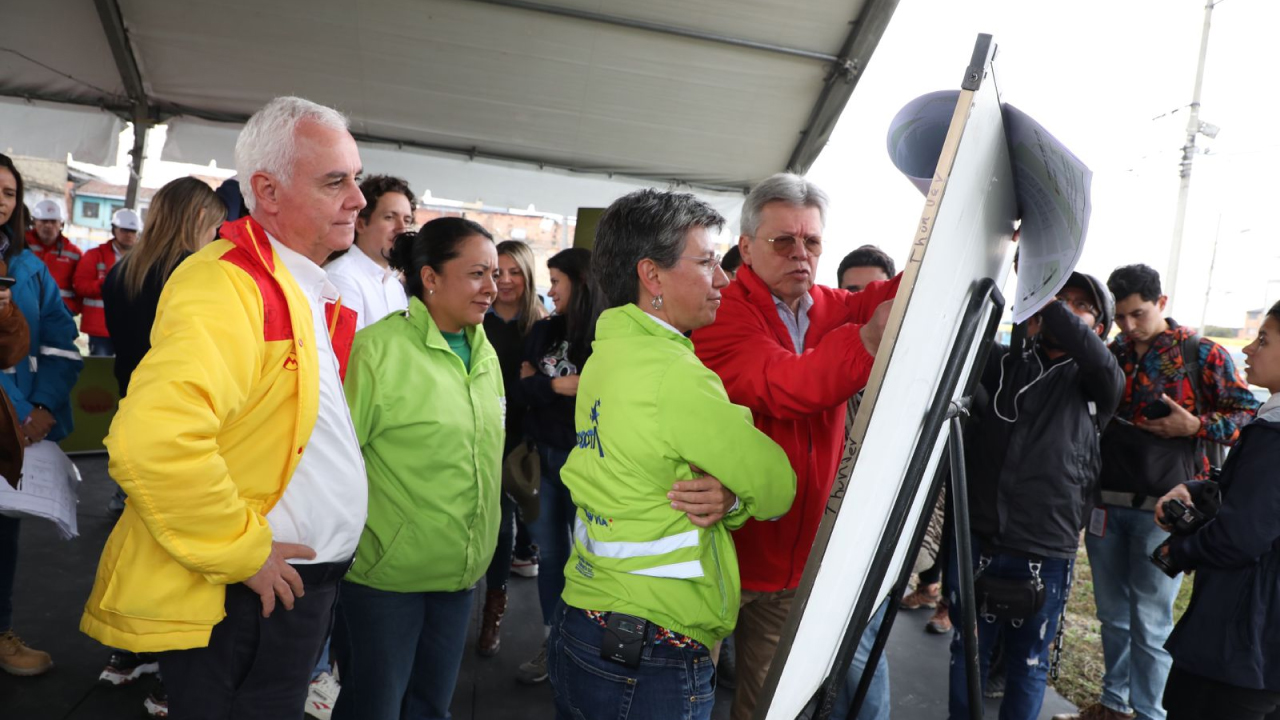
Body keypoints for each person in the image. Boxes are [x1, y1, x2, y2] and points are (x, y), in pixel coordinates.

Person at [80, 96, 369, 720]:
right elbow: (153, 442)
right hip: (251, 594)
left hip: (277, 592)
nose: (358, 199)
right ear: (265, 189)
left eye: (357, 178)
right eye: (336, 181)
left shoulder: (289, 283)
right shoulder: (228, 283)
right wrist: (244, 552)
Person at [547, 187, 796, 720]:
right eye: (707, 261)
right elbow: (777, 486)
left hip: (585, 623)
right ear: (651, 276)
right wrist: (736, 497)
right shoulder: (673, 374)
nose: (723, 278)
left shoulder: (608, 354)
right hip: (651, 652)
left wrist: (727, 497)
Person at [691, 173, 897, 720]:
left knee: (767, 708)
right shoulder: (719, 314)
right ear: (746, 247)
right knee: (683, 699)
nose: (800, 254)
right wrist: (868, 341)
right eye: (783, 241)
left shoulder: (830, 305)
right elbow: (788, 385)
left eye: (811, 241)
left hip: (797, 563)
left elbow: (902, 289)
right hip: (721, 552)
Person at [1059, 264, 1259, 720]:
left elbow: (1250, 416)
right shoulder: (1113, 352)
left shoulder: (1200, 353)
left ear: (1161, 303)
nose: (1130, 325)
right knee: (1111, 616)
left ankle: (1150, 712)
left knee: (1150, 622)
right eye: (1122, 317)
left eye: (1138, 314)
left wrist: (1196, 425)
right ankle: (1114, 704)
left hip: (1165, 512)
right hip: (1106, 504)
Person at [332, 217, 504, 720]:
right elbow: (338, 463)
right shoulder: (377, 351)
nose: (492, 287)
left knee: (430, 707)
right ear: (430, 277)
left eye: (494, 274)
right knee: (375, 706)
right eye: (477, 274)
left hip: (458, 575)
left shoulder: (483, 351)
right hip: (386, 580)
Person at [947, 272, 1124, 720]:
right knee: (966, 653)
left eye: (1080, 304)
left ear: (1099, 328)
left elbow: (1079, 342)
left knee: (1029, 665)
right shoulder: (1005, 365)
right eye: (1059, 297)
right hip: (980, 541)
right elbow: (951, 333)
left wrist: (1042, 291)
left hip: (1046, 549)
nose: (1065, 308)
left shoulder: (1101, 379)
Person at [92, 177, 226, 713]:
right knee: (184, 558)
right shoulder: (193, 276)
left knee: (141, 543)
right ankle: (175, 675)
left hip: (134, 416)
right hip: (182, 425)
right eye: (215, 224)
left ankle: (126, 653)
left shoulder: (124, 270)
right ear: (197, 221)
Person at [1154, 300, 1280, 720]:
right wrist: (1198, 489)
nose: (1249, 349)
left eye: (1263, 339)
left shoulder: (1274, 436)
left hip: (1238, 643)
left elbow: (1239, 537)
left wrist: (1178, 552)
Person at [0, 154, 83, 676]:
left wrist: (45, 409)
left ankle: (0, 633)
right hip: (13, 420)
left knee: (2, 538)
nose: (0, 200)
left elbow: (61, 346)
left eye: (8, 192)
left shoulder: (30, 270)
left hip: (15, 435)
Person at [516, 246, 600, 684]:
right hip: (542, 460)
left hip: (587, 463)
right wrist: (560, 386)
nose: (549, 291)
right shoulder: (543, 330)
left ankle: (583, 649)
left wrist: (544, 384)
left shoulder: (606, 333)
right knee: (551, 556)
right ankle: (554, 641)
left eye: (556, 281)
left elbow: (604, 395)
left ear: (580, 282)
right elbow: (521, 389)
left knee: (591, 558)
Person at [477, 238, 547, 658]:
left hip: (519, 440)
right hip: (473, 433)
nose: (504, 281)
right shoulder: (473, 318)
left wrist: (534, 384)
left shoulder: (542, 326)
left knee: (506, 524)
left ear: (527, 274)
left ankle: (494, 607)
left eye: (513, 272)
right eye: (496, 271)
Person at [325, 174, 414, 329]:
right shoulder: (341, 278)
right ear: (360, 224)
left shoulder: (394, 285)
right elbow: (349, 351)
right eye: (389, 217)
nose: (401, 228)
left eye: (407, 220)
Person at [76, 208, 141, 356]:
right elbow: (80, 286)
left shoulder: (144, 260)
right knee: (101, 371)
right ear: (114, 230)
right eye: (124, 230)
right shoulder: (94, 256)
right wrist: (107, 284)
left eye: (133, 231)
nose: (129, 235)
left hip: (132, 328)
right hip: (101, 329)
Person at [26, 199, 83, 315]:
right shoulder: (20, 245)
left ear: (61, 224)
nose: (48, 225)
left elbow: (80, 285)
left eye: (53, 221)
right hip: (25, 311)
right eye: (44, 221)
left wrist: (72, 309)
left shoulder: (74, 253)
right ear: (34, 222)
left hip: (59, 314)